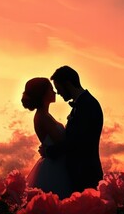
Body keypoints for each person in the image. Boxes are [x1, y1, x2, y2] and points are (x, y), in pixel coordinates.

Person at [42, 65, 104, 193]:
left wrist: (49, 151)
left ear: (67, 84)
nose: (58, 93)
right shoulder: (82, 104)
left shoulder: (87, 105)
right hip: (80, 173)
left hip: (86, 174)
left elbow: (77, 142)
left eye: (58, 88)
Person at [21, 77, 73, 199]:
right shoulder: (42, 117)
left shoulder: (45, 115)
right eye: (50, 89)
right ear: (42, 94)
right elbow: (62, 142)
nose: (54, 92)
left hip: (56, 163)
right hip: (55, 167)